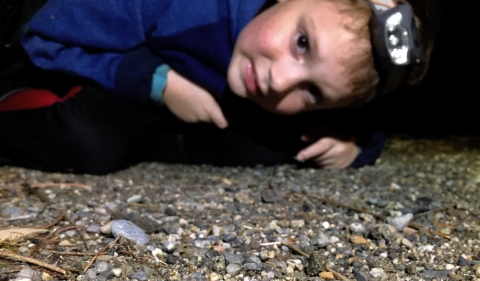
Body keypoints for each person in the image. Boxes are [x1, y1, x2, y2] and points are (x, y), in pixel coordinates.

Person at [0, 0, 439, 174]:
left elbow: (362, 121)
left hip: (198, 123)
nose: (279, 80)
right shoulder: (186, 5)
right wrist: (157, 82)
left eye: (314, 93)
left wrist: (356, 145)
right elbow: (43, 36)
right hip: (104, 79)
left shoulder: (306, 84)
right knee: (91, 143)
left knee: (269, 148)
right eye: (302, 42)